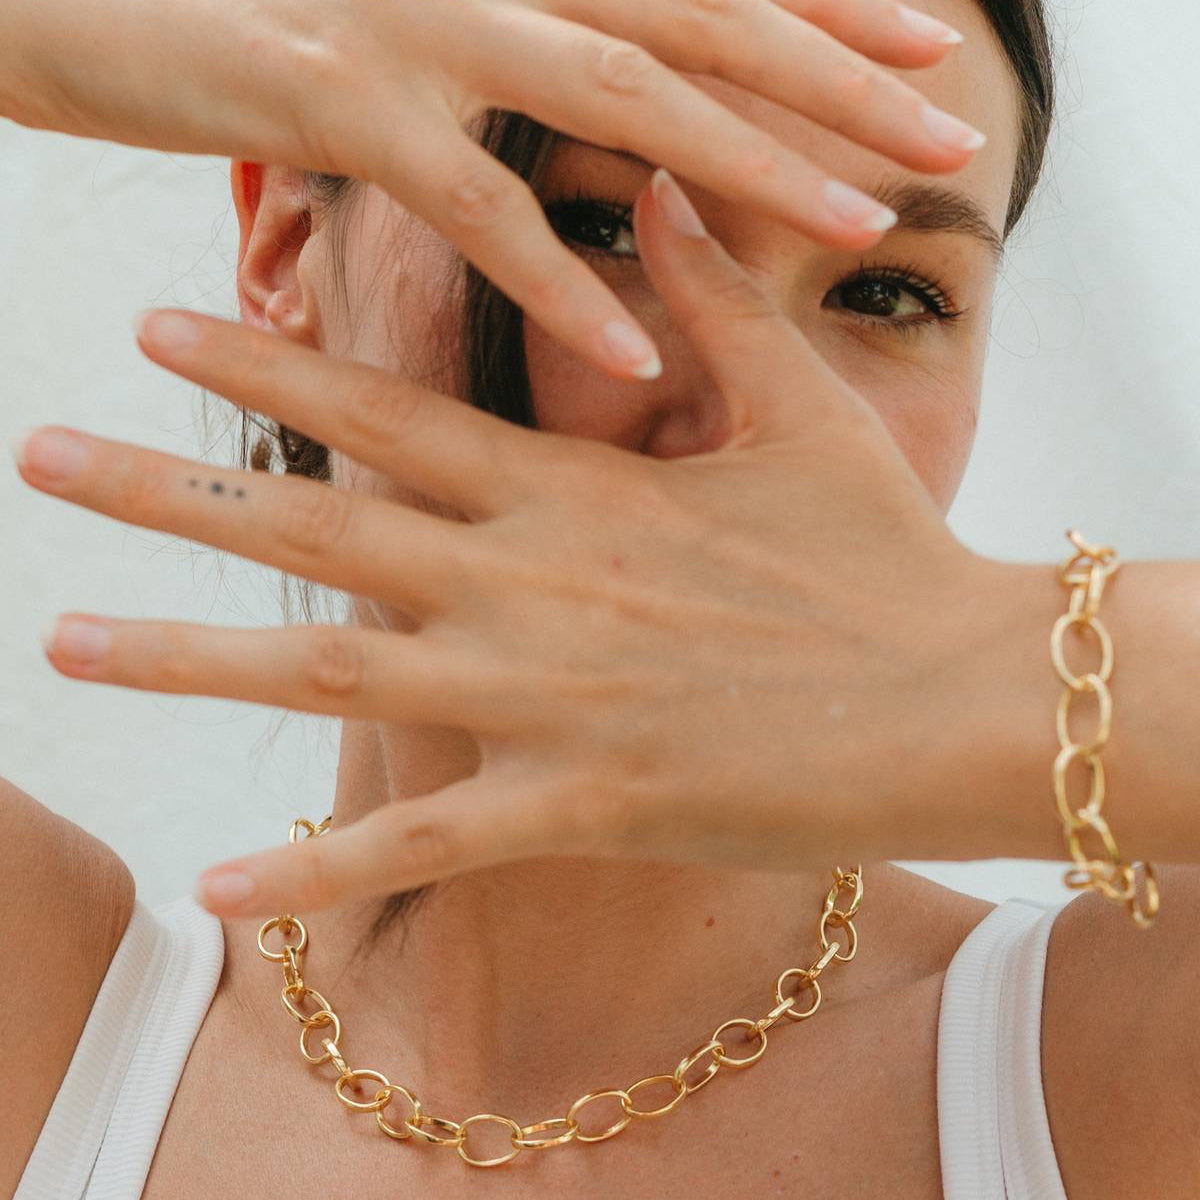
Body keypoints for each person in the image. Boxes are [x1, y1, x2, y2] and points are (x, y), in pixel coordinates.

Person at [5, 0, 1199, 1197]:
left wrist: (987, 675)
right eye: (602, 226)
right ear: (287, 242)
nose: (745, 423)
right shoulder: (54, 1031)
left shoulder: (1108, 1071)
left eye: (887, 294)